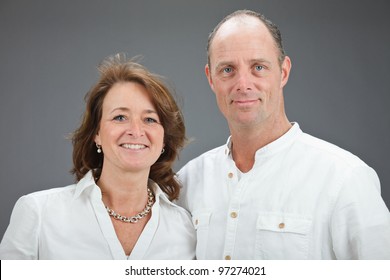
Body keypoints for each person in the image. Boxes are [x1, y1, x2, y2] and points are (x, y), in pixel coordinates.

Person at [177, 9, 390, 259]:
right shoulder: (188, 182)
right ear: (210, 78)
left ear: (284, 72)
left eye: (258, 67)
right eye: (227, 70)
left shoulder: (344, 177)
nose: (243, 84)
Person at [0, 54, 196, 259]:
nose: (136, 131)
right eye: (120, 117)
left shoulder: (185, 229)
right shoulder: (39, 213)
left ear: (164, 139)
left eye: (149, 119)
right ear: (97, 134)